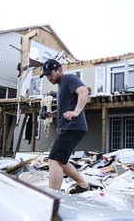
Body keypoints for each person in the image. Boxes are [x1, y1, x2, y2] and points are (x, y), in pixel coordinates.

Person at [40, 59, 90, 194]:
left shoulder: (69, 79)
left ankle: (53, 196)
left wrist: (77, 111)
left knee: (54, 160)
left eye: (50, 74)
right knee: (61, 159)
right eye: (46, 75)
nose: (49, 77)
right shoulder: (61, 85)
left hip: (72, 126)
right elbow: (66, 108)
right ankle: (83, 185)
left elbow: (84, 92)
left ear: (59, 70)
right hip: (69, 127)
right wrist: (53, 114)